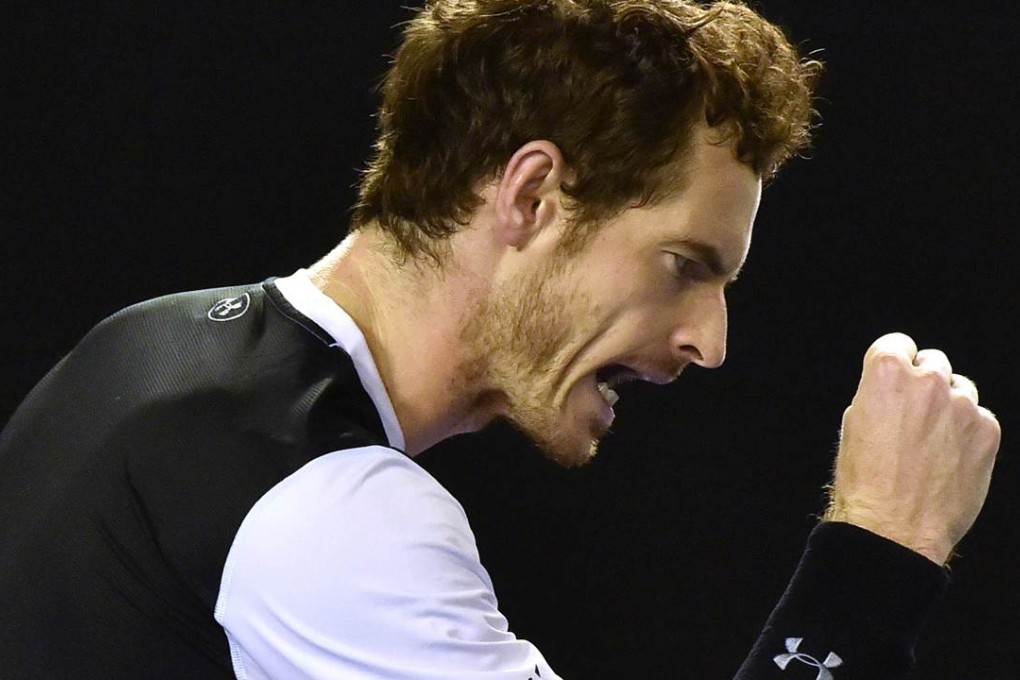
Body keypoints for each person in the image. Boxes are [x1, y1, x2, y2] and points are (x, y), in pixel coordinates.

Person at [0, 0, 1000, 678]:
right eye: (685, 264)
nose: (710, 341)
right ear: (530, 196)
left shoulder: (147, 346)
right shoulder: (334, 516)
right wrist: (884, 546)